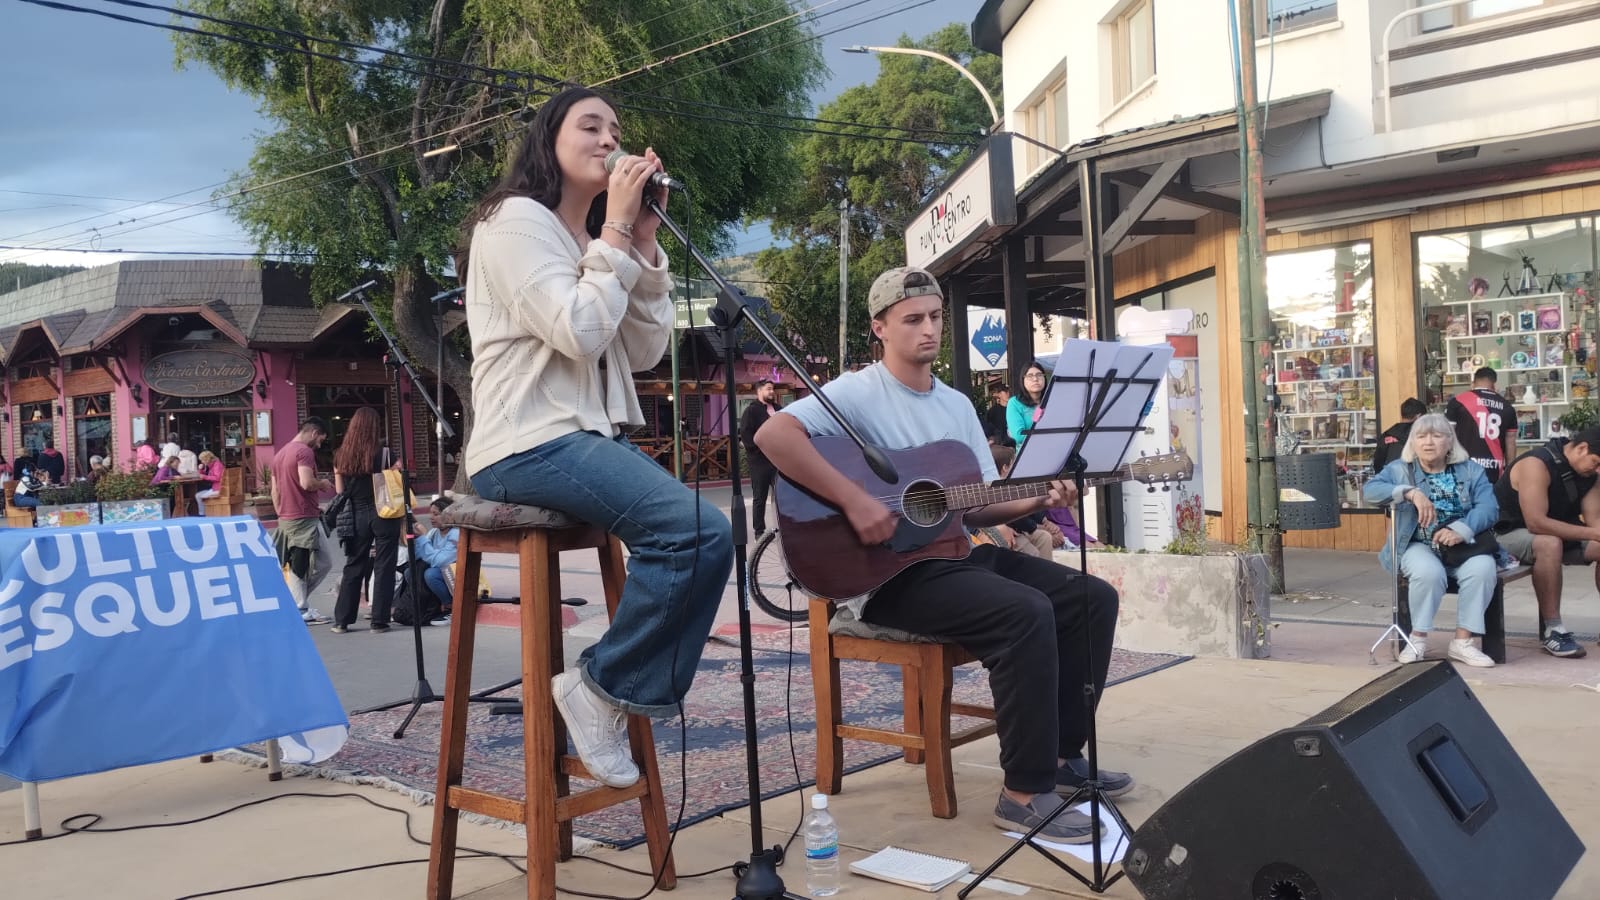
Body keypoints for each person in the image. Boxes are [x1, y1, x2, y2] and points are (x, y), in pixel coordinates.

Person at [755, 266, 1125, 844]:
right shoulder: (857, 391)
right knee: (1023, 613)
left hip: (955, 553)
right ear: (880, 328)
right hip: (889, 575)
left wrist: (1037, 496)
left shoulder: (954, 406)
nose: (928, 329)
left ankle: (1058, 757)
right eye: (913, 320)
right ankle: (1022, 795)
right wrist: (855, 501)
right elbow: (772, 437)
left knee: (1091, 597)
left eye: (935, 317)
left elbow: (974, 506)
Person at [457, 86, 732, 788]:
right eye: (591, 126)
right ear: (549, 140)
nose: (610, 140)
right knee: (697, 531)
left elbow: (638, 353)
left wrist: (640, 245)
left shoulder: (590, 240)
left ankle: (606, 686)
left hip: (577, 439)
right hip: (526, 441)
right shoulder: (515, 221)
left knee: (697, 533)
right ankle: (600, 685)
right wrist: (615, 233)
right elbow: (578, 330)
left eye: (616, 128)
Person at [1363, 414, 1498, 667]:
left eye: (1437, 436)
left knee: (1483, 568)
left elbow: (1489, 508)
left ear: (1450, 442)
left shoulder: (1470, 470)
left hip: (1462, 546)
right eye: (1421, 436)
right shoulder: (1399, 469)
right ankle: (1417, 640)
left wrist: (1463, 528)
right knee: (1428, 572)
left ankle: (1463, 643)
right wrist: (1409, 492)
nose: (1428, 442)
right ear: (1412, 442)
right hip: (1417, 544)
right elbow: (1370, 491)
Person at [1492, 426, 1600, 659]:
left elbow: (1595, 523)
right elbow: (1536, 523)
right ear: (1582, 448)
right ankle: (1554, 629)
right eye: (1596, 462)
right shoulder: (1536, 464)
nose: (1598, 469)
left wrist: (1595, 532)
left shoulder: (1590, 474)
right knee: (1548, 544)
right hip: (1507, 535)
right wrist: (1593, 533)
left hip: (1556, 534)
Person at [330, 407, 403, 634]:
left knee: (354, 564)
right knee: (384, 565)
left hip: (357, 514)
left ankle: (342, 620)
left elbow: (341, 491)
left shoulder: (340, 455)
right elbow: (397, 481)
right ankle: (379, 621)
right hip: (384, 512)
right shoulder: (385, 454)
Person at [271, 417, 334, 625]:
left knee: (305, 561)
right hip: (303, 517)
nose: (320, 444)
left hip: (288, 516)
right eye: (321, 440)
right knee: (308, 563)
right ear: (314, 433)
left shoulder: (279, 454)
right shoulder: (304, 452)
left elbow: (274, 490)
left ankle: (299, 602)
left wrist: (281, 511)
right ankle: (299, 606)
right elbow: (307, 482)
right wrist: (323, 484)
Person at [1447, 367, 1516, 483]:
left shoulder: (1458, 401)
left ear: (1473, 383)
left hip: (1463, 465)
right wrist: (1509, 471)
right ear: (1494, 385)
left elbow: (1448, 434)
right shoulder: (1507, 406)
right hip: (1494, 468)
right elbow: (1511, 441)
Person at [739, 379, 783, 537]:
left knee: (782, 495)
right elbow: (745, 433)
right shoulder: (752, 411)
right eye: (768, 389)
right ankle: (759, 531)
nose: (772, 392)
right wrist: (758, 450)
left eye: (773, 389)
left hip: (778, 460)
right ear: (759, 391)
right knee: (760, 497)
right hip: (760, 462)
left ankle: (784, 526)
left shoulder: (779, 409)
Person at [414, 496, 460, 623]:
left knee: (431, 574)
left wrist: (422, 539)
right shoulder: (434, 532)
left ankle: (450, 607)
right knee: (411, 571)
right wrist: (416, 540)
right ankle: (429, 607)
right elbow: (418, 556)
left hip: (457, 575)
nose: (431, 517)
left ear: (449, 516)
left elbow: (440, 561)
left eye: (436, 514)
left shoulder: (455, 534)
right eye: (430, 513)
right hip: (442, 572)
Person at [1373, 397, 1427, 470]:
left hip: (1390, 477)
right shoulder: (1420, 435)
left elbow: (1377, 464)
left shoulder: (1387, 434)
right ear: (1419, 416)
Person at [1006, 360, 1050, 448]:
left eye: (1039, 375)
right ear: (1023, 380)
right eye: (1030, 376)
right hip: (1028, 455)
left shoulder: (1052, 400)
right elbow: (1019, 436)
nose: (1035, 379)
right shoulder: (1014, 403)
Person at [985, 381, 1015, 448]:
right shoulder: (992, 411)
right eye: (1005, 392)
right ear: (999, 394)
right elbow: (989, 428)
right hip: (1000, 444)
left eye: (1009, 392)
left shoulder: (1015, 409)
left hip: (1014, 443)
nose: (1008, 394)